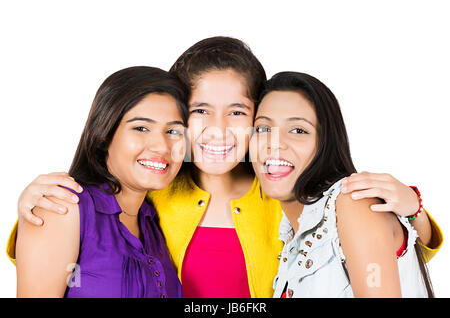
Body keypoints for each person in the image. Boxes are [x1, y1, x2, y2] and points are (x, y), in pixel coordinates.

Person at [7, 37, 443, 298]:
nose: (218, 131)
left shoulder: (283, 189)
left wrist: (416, 208)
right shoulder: (151, 187)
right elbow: (71, 254)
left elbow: (388, 249)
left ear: (259, 116)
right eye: (199, 111)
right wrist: (35, 201)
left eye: (237, 113)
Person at [250, 71, 436, 297]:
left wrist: (416, 210)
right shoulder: (291, 233)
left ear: (325, 143)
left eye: (298, 130)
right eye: (262, 129)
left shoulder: (352, 202)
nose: (274, 144)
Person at [15, 66, 188, 297]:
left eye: (174, 131)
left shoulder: (153, 220)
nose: (161, 146)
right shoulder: (62, 207)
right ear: (104, 136)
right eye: (141, 128)